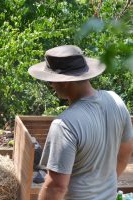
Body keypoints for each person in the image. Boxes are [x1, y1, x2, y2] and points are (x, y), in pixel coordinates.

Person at [28, 45, 133, 200]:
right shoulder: (116, 101)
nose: (51, 86)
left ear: (64, 82)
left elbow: (56, 187)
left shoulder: (64, 124)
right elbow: (125, 154)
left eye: (51, 81)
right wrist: (102, 189)